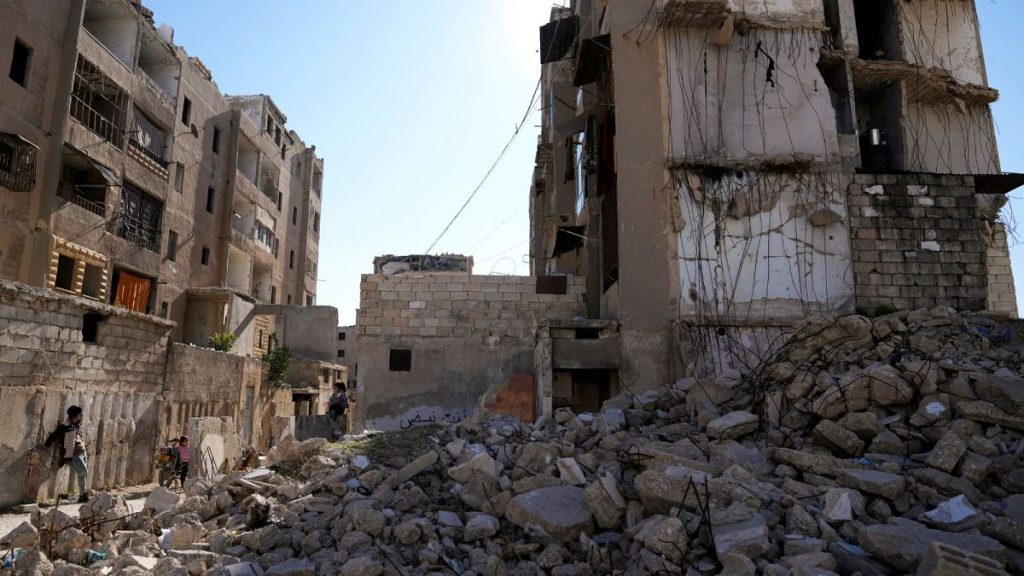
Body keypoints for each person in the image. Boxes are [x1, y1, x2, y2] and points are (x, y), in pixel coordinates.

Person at [62, 406, 88, 503]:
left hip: (82, 451)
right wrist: (46, 445)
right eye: (80, 413)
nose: (82, 415)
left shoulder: (77, 425)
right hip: (74, 454)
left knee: (83, 474)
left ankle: (83, 494)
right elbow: (55, 435)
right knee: (83, 471)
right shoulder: (66, 426)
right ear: (76, 415)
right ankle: (83, 494)